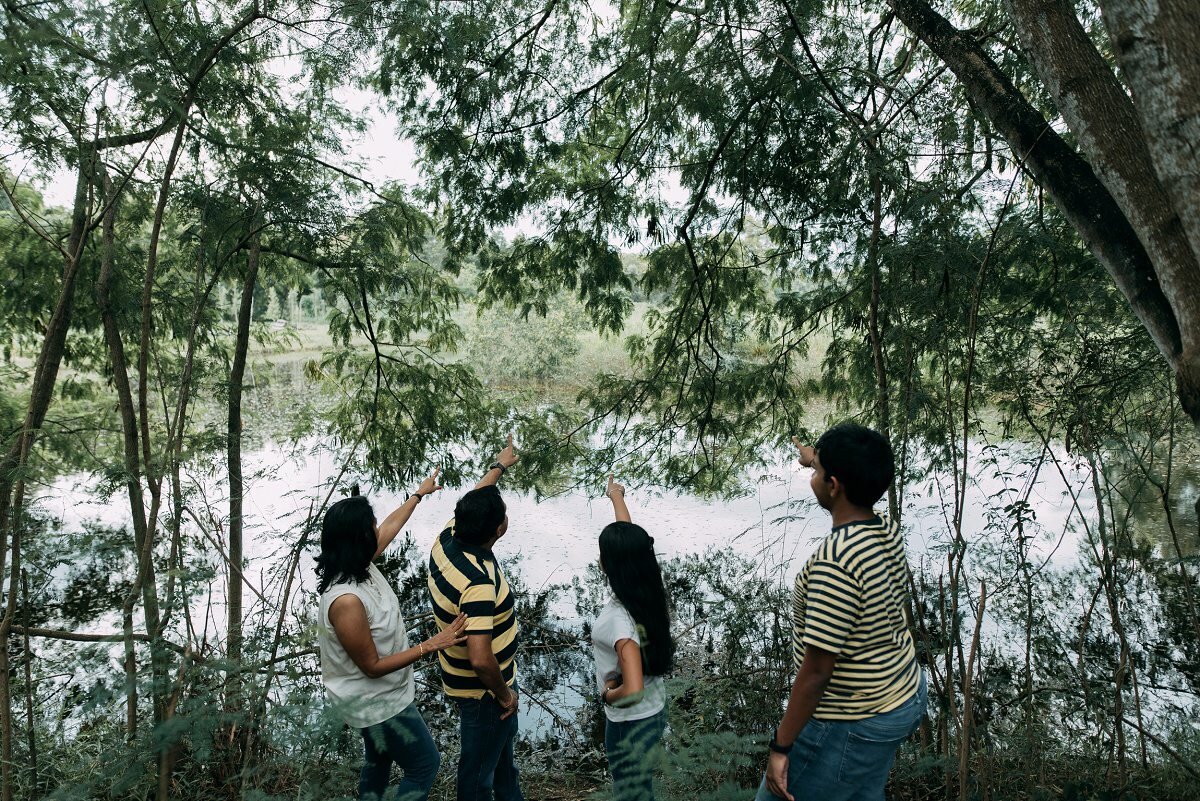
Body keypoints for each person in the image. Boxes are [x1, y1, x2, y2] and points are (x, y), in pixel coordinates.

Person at [758, 423, 927, 801]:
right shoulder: (885, 528)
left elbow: (817, 671)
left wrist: (781, 746)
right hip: (901, 690)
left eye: (817, 471)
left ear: (835, 485)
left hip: (851, 716)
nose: (811, 474)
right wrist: (815, 461)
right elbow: (844, 478)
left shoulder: (836, 562)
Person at [316, 469, 469, 801]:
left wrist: (418, 494)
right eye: (370, 525)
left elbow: (389, 527)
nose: (377, 527)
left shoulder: (359, 564)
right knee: (425, 764)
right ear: (358, 538)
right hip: (376, 703)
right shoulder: (346, 602)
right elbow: (371, 665)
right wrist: (432, 644)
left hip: (383, 696)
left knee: (379, 758)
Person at [427, 435, 523, 801]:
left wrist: (497, 468)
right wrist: (505, 695)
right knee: (477, 777)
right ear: (499, 530)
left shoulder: (447, 540)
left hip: (469, 683)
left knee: (501, 765)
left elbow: (474, 501)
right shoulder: (479, 583)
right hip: (484, 692)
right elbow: (482, 658)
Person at [593, 475, 674, 801]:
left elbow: (634, 690)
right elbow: (632, 544)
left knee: (631, 794)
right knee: (640, 790)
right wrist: (616, 498)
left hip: (630, 722)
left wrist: (608, 696)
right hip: (653, 711)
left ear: (609, 564)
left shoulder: (619, 621)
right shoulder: (646, 589)